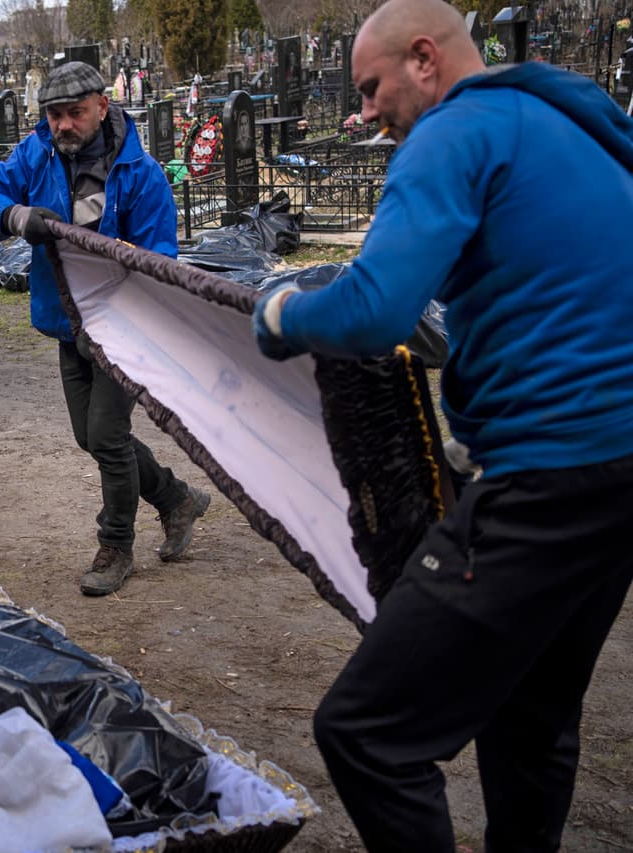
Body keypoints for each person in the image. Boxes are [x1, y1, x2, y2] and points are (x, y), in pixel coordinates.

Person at [252, 0, 633, 849]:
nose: (366, 112)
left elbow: (371, 309)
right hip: (621, 469)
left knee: (365, 732)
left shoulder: (449, 135)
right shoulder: (574, 121)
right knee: (532, 710)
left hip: (547, 475)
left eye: (371, 87)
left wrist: (280, 313)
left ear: (425, 59)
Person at [0, 61, 211, 596]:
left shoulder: (139, 174)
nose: (63, 125)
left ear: (102, 105)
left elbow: (162, 261)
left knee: (107, 437)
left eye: (75, 113)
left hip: (122, 328)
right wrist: (14, 217)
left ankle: (116, 547)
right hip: (67, 322)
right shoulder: (37, 153)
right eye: (54, 115)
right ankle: (175, 499)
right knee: (91, 436)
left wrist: (130, 260)